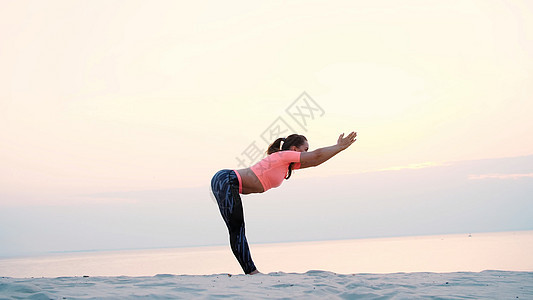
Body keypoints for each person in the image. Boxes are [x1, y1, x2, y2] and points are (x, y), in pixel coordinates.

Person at [210, 131, 357, 275]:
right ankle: (251, 272)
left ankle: (250, 271)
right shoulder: (283, 155)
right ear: (294, 149)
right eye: (305, 149)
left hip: (228, 182)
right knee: (237, 228)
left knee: (236, 228)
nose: (307, 152)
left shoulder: (287, 164)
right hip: (226, 180)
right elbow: (316, 155)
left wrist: (338, 150)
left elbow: (315, 161)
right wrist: (339, 146)